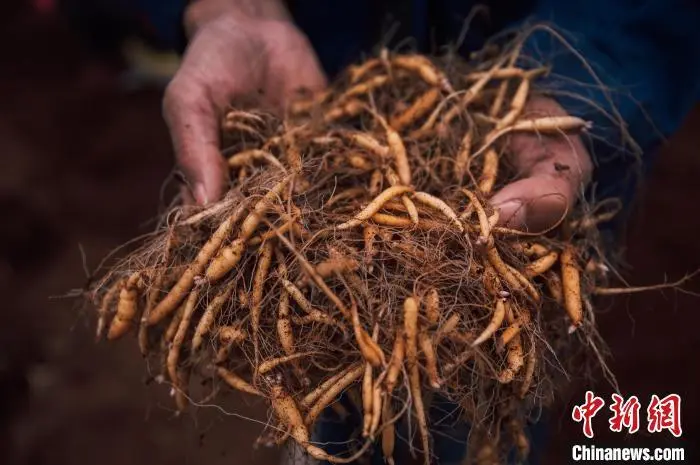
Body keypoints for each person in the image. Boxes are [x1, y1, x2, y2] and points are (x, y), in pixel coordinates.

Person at [65, 0, 700, 463]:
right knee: (327, 363)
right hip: (314, 67)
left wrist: (579, 70)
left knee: (493, 366)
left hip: (541, 118)